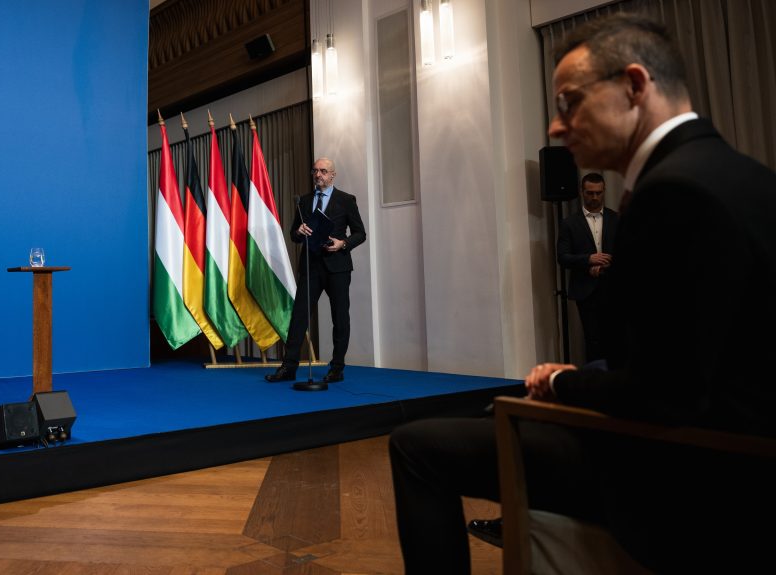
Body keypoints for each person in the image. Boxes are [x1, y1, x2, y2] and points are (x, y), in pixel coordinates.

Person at [389, 13, 776, 574]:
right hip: (730, 445)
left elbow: (665, 393)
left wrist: (561, 383)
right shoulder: (745, 175)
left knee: (416, 447)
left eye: (569, 102)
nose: (555, 126)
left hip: (697, 479)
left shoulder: (672, 193)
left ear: (634, 86)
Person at [265, 157, 366, 385]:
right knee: (299, 316)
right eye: (315, 171)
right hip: (311, 266)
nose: (318, 175)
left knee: (340, 317)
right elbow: (294, 234)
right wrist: (299, 231)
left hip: (337, 267)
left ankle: (337, 368)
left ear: (332, 175)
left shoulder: (346, 200)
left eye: (323, 171)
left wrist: (343, 243)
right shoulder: (304, 201)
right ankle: (289, 367)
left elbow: (360, 233)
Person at [557, 172, 618, 361]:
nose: (595, 197)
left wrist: (605, 267)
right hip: (586, 290)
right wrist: (588, 260)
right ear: (582, 192)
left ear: (604, 191)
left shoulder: (616, 219)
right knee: (592, 340)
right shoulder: (569, 223)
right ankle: (595, 377)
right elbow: (563, 257)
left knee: (615, 339)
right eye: (590, 193)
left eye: (598, 193)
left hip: (613, 288)